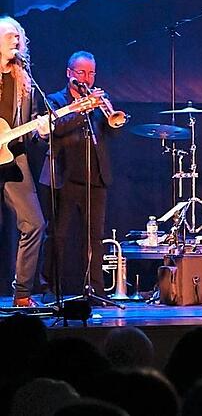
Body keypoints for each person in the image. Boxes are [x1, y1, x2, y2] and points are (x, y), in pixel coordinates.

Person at [39, 51, 118, 298]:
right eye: (82, 72)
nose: (87, 78)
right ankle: (51, 288)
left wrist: (109, 114)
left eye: (91, 73)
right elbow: (58, 128)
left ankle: (96, 290)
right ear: (69, 73)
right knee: (58, 235)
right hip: (65, 177)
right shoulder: (55, 100)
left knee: (94, 239)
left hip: (96, 179)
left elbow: (112, 133)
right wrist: (84, 108)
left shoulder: (96, 102)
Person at [0, 16, 51, 307]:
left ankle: (22, 295)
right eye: (9, 36)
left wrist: (42, 131)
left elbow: (29, 130)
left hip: (13, 158)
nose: (15, 41)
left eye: (18, 36)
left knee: (34, 223)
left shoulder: (26, 82)